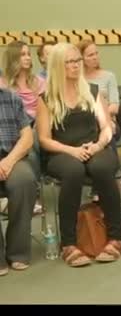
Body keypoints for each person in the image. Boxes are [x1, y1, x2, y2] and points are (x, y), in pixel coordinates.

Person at [36, 42, 121, 267]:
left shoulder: (92, 91)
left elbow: (106, 127)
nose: (76, 65)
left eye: (78, 61)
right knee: (73, 171)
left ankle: (116, 237)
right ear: (57, 66)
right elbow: (45, 139)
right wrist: (72, 151)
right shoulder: (46, 98)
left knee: (102, 167)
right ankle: (69, 244)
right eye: (70, 62)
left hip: (94, 147)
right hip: (62, 152)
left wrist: (97, 145)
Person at [76, 39, 121, 195]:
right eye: (90, 55)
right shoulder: (76, 80)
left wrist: (102, 118)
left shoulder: (108, 76)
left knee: (107, 133)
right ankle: (115, 179)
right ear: (81, 59)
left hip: (108, 121)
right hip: (84, 126)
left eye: (96, 53)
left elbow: (114, 106)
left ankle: (110, 181)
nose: (95, 57)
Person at [1, 41, 47, 214]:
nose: (28, 58)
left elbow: (46, 111)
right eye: (22, 54)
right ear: (13, 58)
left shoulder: (39, 82)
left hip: (38, 127)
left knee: (32, 138)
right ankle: (31, 194)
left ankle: (31, 194)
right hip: (15, 131)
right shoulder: (4, 84)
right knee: (29, 144)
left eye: (28, 54)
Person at [0, 84, 38, 275]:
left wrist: (9, 160)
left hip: (11, 157)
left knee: (25, 181)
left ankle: (18, 252)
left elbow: (27, 137)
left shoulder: (12, 98)